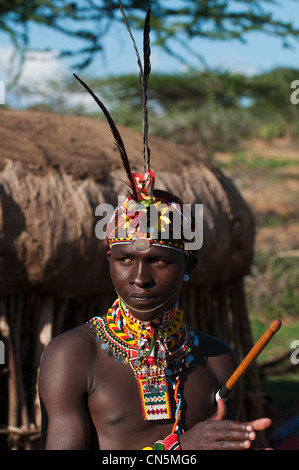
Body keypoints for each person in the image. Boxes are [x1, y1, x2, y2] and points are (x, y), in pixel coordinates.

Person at [38, 2, 271, 450]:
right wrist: (181, 452)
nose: (139, 277)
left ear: (189, 266)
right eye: (125, 259)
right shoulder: (73, 354)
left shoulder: (218, 358)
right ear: (110, 260)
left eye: (160, 261)